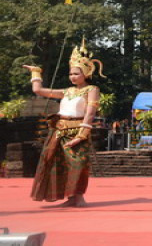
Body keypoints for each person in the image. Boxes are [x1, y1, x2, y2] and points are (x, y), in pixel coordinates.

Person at [25, 39, 104, 207]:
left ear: (86, 73)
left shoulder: (92, 90)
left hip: (78, 131)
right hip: (59, 131)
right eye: (71, 74)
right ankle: (69, 198)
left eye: (77, 73)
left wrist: (83, 134)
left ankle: (78, 196)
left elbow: (90, 113)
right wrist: (36, 73)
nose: (73, 77)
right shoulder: (66, 91)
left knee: (78, 164)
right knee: (57, 165)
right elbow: (38, 90)